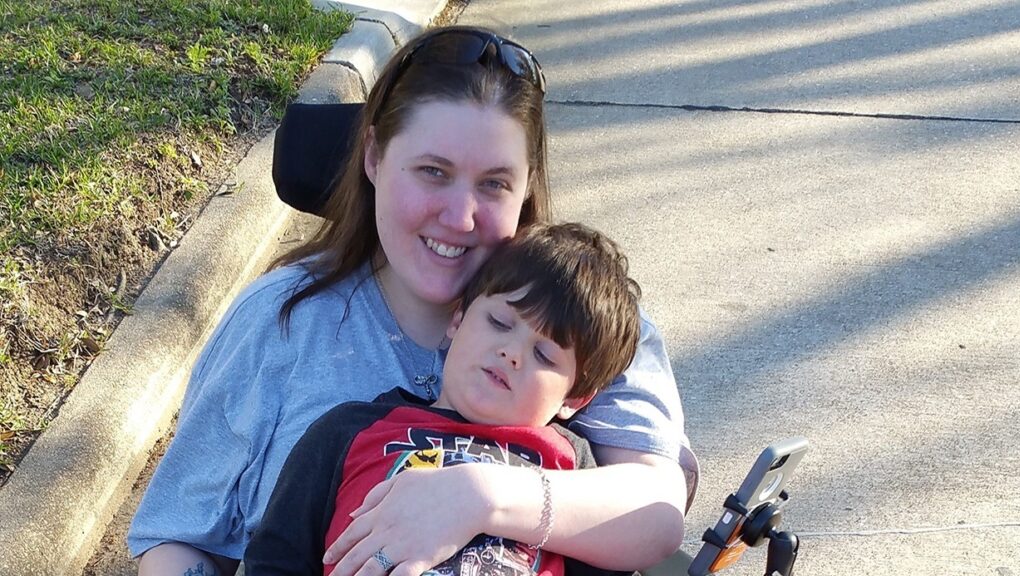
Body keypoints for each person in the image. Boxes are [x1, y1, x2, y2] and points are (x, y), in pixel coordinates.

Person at [128, 25, 698, 576]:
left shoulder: (582, 323)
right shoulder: (281, 320)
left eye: (495, 183)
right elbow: (183, 537)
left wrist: (482, 495)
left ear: (527, 186)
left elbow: (654, 508)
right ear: (373, 156)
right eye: (433, 171)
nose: (460, 216)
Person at [244, 222, 642, 576]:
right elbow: (278, 557)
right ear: (458, 318)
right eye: (499, 323)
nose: (512, 353)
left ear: (575, 397)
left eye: (544, 355)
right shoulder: (349, 429)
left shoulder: (570, 465)